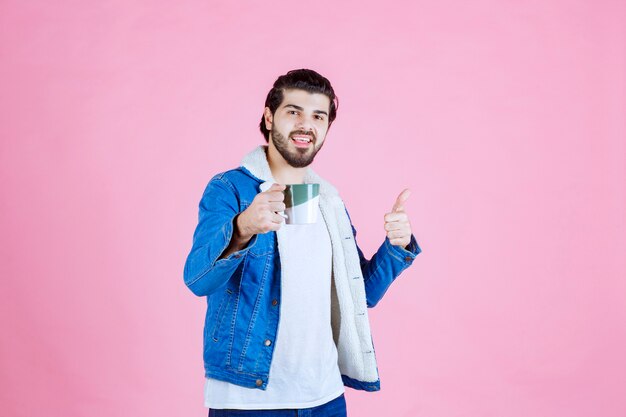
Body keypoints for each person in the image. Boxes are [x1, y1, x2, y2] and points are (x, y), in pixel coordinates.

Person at [183, 68, 422, 416]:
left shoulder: (327, 200)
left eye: (317, 116)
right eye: (293, 111)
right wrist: (243, 226)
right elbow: (197, 279)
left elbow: (361, 294)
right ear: (268, 118)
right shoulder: (230, 189)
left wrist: (396, 246)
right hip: (250, 400)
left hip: (324, 398)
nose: (305, 124)